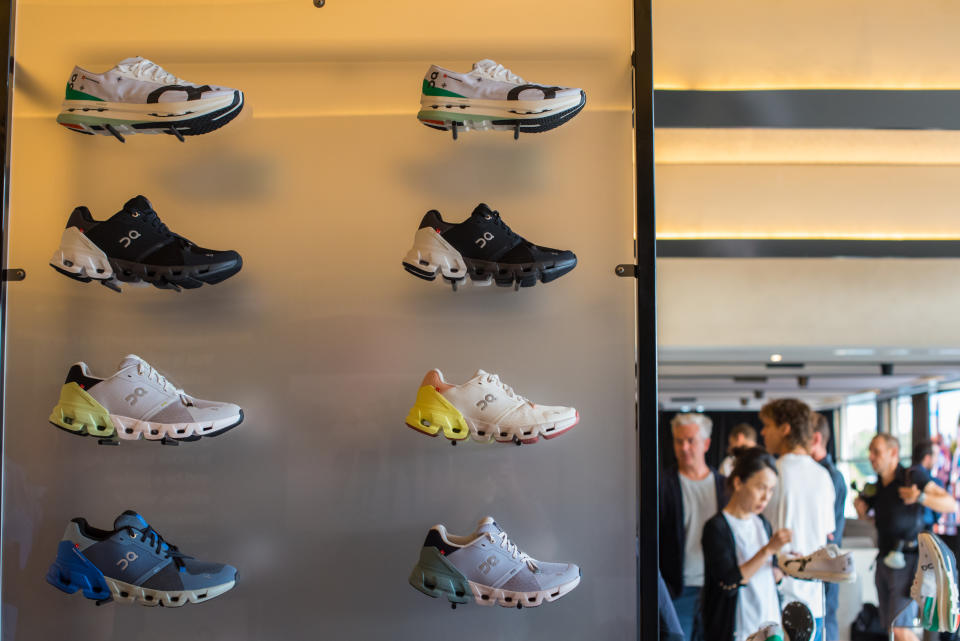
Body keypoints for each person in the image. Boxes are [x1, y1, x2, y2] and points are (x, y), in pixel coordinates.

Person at [854, 434, 958, 641]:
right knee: (891, 629)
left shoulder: (913, 478)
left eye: (876, 451)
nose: (871, 457)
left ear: (893, 453)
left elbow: (950, 504)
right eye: (870, 452)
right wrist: (862, 512)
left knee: (901, 629)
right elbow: (879, 521)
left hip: (908, 563)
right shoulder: (878, 487)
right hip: (884, 561)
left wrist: (920, 496)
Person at [760, 399, 836, 641]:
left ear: (785, 429)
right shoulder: (824, 476)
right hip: (814, 599)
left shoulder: (770, 474)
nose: (762, 432)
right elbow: (826, 535)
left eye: (767, 425)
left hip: (777, 598)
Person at [702, 447, 792, 641]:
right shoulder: (716, 528)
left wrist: (782, 569)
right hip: (739, 630)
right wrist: (768, 550)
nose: (766, 497)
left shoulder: (762, 523)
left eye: (771, 490)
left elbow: (770, 570)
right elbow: (729, 580)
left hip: (770, 623)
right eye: (761, 487)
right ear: (738, 483)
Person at [661, 413, 726, 641]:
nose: (684, 447)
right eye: (679, 441)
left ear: (706, 444)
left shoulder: (724, 486)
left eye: (691, 440)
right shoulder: (662, 485)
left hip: (716, 589)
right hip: (678, 590)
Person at [809, 412, 847, 641]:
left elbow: (825, 530)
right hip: (819, 565)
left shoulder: (829, 477)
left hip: (826, 563)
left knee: (824, 626)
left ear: (814, 439)